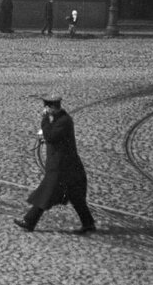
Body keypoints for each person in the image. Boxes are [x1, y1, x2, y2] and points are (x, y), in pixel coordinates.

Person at [15, 96, 96, 234]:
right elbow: (51, 136)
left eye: (47, 107)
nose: (45, 110)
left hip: (62, 167)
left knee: (46, 192)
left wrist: (44, 120)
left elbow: (51, 136)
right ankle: (88, 223)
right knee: (75, 196)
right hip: (66, 166)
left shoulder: (64, 121)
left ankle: (29, 221)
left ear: (53, 107)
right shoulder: (60, 120)